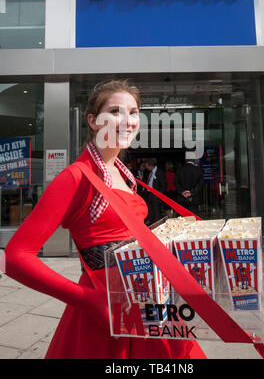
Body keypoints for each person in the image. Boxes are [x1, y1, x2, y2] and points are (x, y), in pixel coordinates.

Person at [3, 79, 206, 360]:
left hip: (150, 302)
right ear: (94, 121)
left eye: (133, 112)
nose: (127, 120)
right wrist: (88, 300)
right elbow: (15, 257)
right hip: (106, 308)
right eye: (115, 111)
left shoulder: (125, 175)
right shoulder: (76, 177)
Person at [144, 157, 167, 224]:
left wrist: (159, 195)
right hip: (149, 194)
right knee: (150, 210)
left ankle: (158, 224)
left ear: (150, 165)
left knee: (157, 211)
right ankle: (152, 224)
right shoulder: (149, 173)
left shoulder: (160, 172)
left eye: (147, 166)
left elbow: (164, 185)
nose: (146, 168)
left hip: (156, 195)